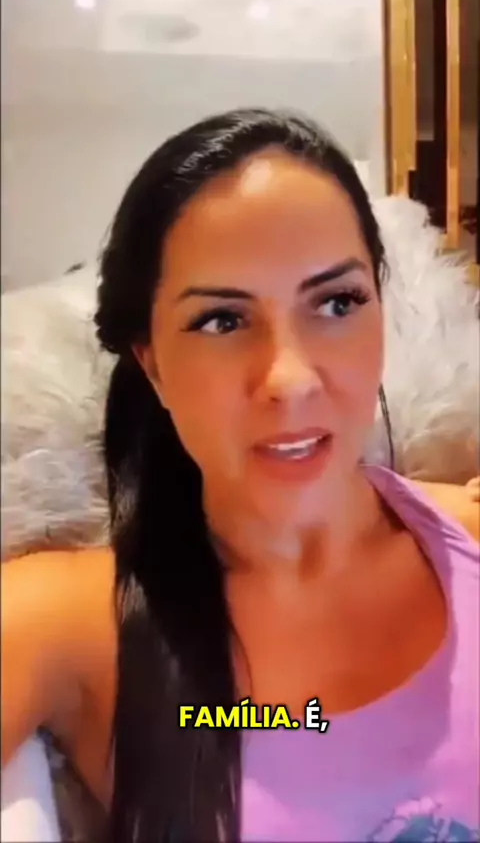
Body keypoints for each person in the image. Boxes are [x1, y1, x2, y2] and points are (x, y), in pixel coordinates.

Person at [2, 109, 479, 843]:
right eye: (222, 321)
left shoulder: (469, 540)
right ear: (152, 363)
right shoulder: (70, 622)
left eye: (337, 303)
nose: (291, 378)